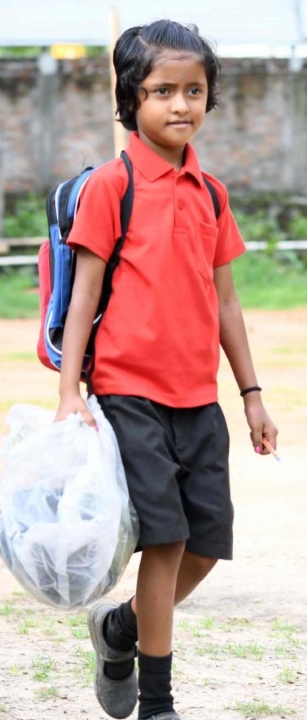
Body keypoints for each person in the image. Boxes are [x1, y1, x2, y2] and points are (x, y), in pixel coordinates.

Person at [55, 21, 278, 720]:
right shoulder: (111, 187)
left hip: (198, 397)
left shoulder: (211, 192)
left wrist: (251, 394)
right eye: (162, 92)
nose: (180, 105)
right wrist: (69, 391)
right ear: (130, 100)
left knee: (207, 545)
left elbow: (226, 301)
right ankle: (158, 702)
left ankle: (119, 628)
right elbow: (85, 292)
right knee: (167, 538)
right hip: (128, 393)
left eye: (194, 91)